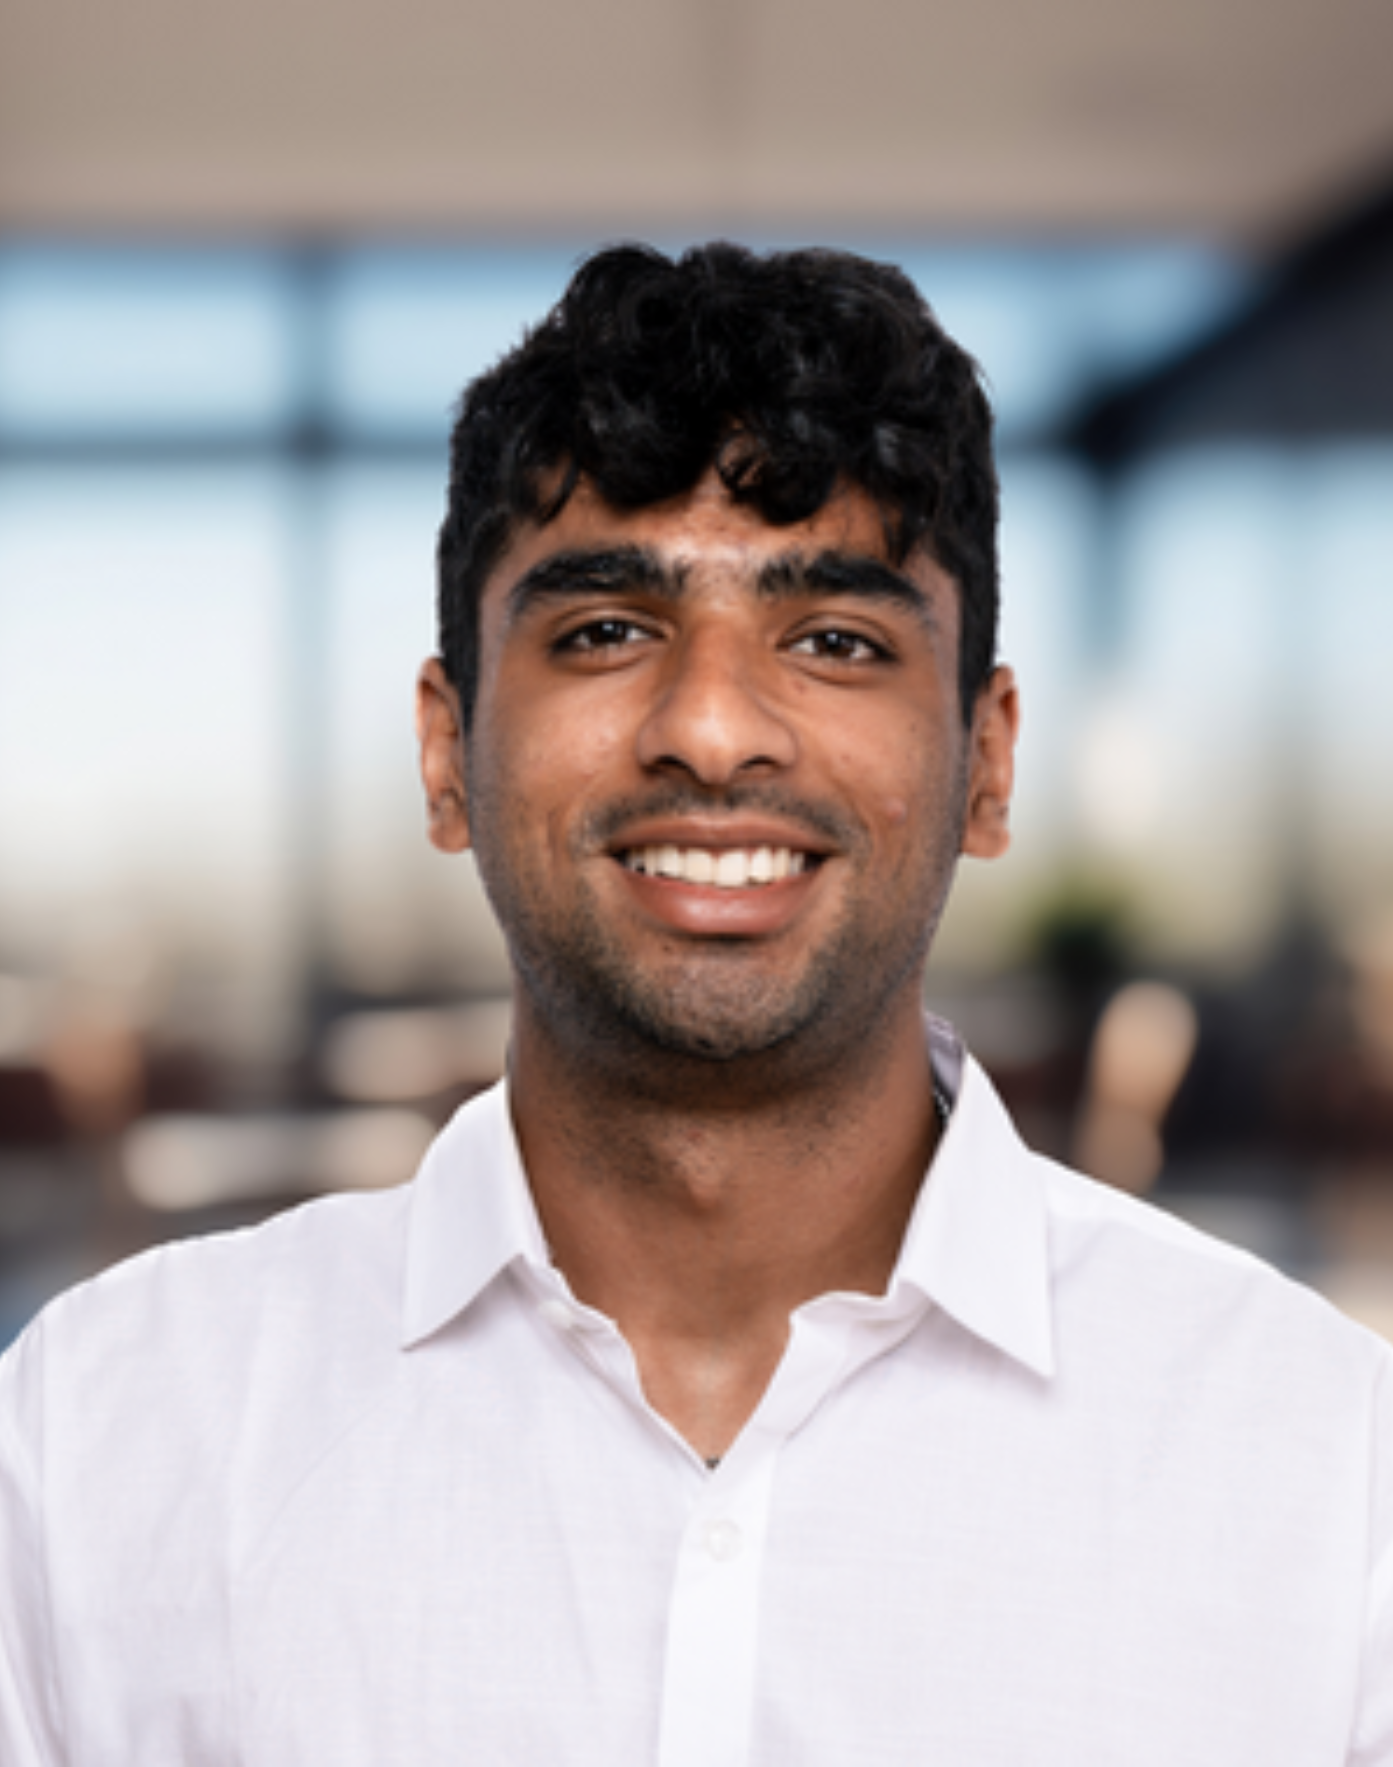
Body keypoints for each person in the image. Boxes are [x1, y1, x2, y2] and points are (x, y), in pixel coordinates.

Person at [1, 242, 1390, 1765]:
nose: (714, 729)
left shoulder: (1330, 1470)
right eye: (605, 630)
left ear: (988, 764)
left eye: (837, 640)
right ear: (447, 753)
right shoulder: (92, 1437)